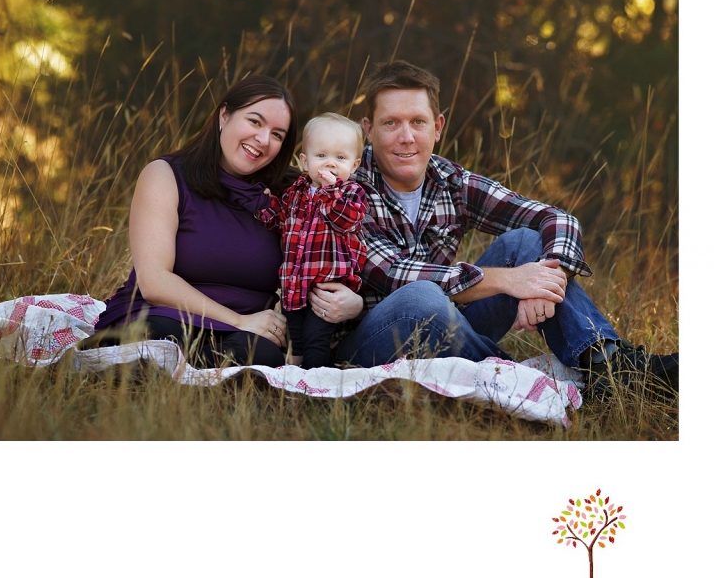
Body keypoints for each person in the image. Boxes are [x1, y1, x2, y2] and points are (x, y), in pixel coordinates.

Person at [308, 60, 678, 400]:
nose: (406, 137)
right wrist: (508, 280)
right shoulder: (343, 188)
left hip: (448, 323)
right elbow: (394, 274)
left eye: (418, 122)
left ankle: (609, 368)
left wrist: (545, 279)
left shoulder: (450, 181)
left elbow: (556, 218)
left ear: (437, 127)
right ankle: (520, 379)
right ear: (368, 130)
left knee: (527, 242)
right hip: (366, 344)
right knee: (420, 298)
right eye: (391, 123)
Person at [81, 75, 298, 368]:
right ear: (224, 115)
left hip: (243, 336)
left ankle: (176, 372)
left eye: (277, 135)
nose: (263, 139)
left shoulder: (292, 194)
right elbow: (154, 282)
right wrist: (239, 320)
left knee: (261, 355)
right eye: (255, 122)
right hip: (166, 315)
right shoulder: (166, 175)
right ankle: (169, 370)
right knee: (159, 335)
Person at [257, 113, 367, 368]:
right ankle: (292, 381)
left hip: (327, 288)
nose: (330, 164)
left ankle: (315, 382)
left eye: (340, 158)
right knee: (294, 340)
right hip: (294, 283)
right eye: (321, 155)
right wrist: (265, 206)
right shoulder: (295, 192)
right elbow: (282, 222)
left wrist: (329, 191)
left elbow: (346, 220)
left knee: (316, 340)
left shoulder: (351, 193)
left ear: (354, 165)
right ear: (305, 161)